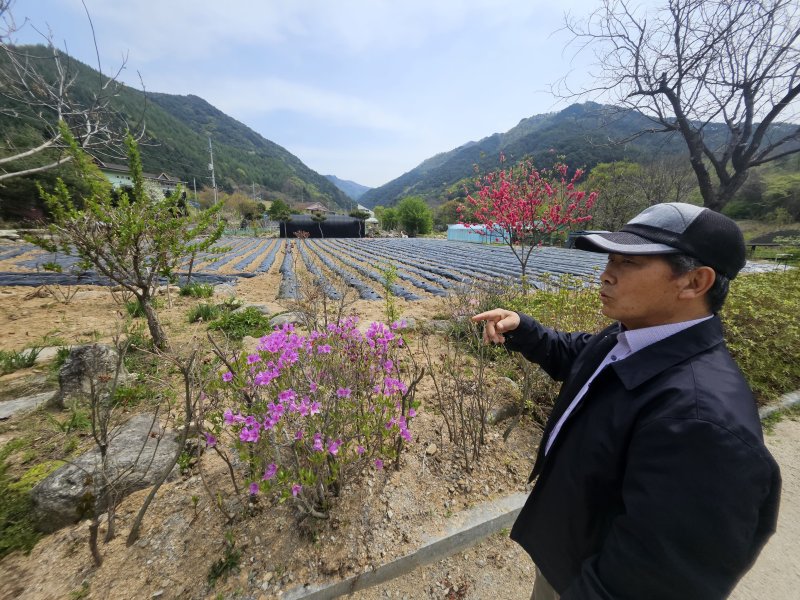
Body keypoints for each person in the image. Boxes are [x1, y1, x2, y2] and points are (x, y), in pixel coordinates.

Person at [472, 203, 780, 600]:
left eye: (628, 262)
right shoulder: (633, 339)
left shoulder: (702, 423)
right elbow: (579, 356)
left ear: (694, 282)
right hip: (572, 554)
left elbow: (658, 579)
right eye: (609, 259)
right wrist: (524, 328)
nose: (606, 274)